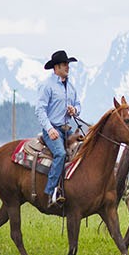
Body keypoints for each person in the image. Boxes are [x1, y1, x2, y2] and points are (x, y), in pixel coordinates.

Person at [35, 50, 81, 205]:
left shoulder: (71, 87)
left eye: (68, 64)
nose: (68, 67)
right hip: (53, 130)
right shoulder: (47, 86)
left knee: (83, 150)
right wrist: (49, 129)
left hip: (67, 129)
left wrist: (75, 110)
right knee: (60, 154)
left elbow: (78, 104)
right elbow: (40, 110)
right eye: (64, 64)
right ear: (56, 67)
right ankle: (51, 192)